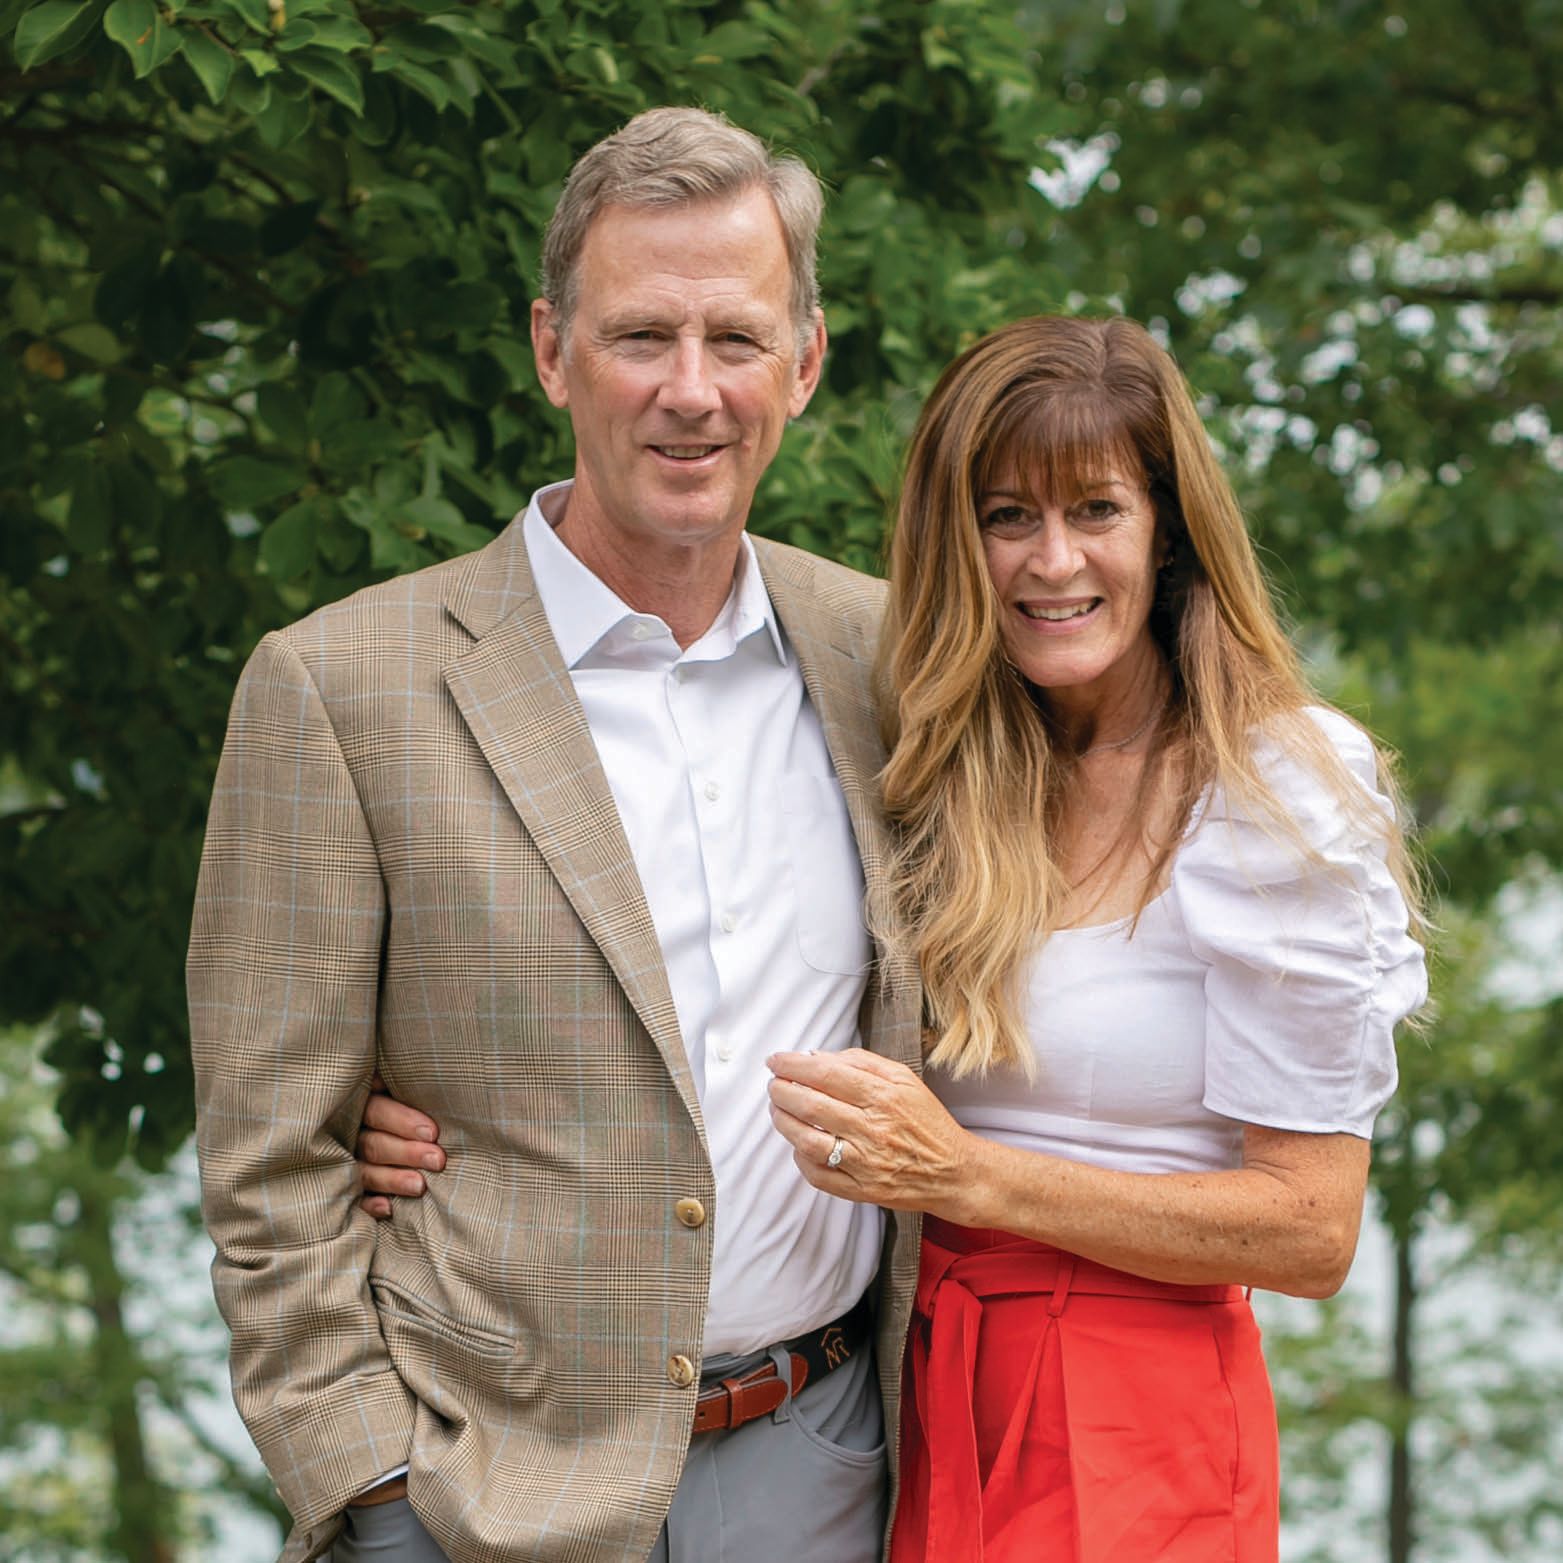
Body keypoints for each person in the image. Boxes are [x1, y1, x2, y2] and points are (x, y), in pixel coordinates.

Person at [361, 315, 1428, 1561]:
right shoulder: (950, 758)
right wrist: (444, 1113)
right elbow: (726, 965)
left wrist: (971, 1178)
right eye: (1006, 517)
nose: (1050, 561)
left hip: (1128, 1416)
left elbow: (1311, 1230)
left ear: (1171, 533)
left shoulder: (1272, 785)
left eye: (1096, 510)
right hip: (906, 1384)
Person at [187, 107, 921, 1563]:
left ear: (807, 360)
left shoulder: (888, 656)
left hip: (825, 1463)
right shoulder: (340, 686)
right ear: (549, 349)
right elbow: (269, 1159)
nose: (691, 393)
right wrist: (370, 1492)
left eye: (736, 338)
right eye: (640, 335)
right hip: (472, 1495)